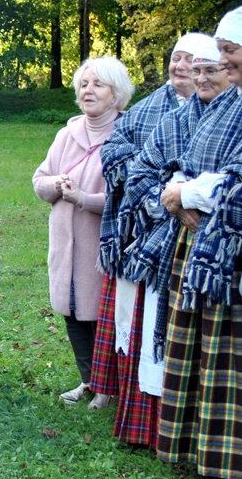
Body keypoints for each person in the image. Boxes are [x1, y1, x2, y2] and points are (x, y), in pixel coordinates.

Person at [91, 33, 214, 420]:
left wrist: (184, 193)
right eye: (176, 58)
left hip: (194, 231)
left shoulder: (215, 112)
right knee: (137, 325)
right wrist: (160, 192)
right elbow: (115, 149)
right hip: (140, 229)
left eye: (190, 60)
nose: (180, 67)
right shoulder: (148, 109)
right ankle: (131, 403)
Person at [119, 39, 232, 449]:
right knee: (169, 338)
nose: (200, 77)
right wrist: (169, 201)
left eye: (210, 70)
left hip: (221, 249)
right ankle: (164, 430)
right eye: (194, 70)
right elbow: (139, 174)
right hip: (172, 243)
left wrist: (188, 195)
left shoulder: (233, 118)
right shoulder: (176, 119)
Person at [155, 7, 242, 479]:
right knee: (213, 356)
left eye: (228, 54)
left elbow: (235, 179)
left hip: (230, 254)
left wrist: (185, 195)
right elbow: (189, 162)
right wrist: (177, 187)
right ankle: (215, 457)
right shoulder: (228, 107)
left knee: (233, 359)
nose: (222, 65)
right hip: (210, 252)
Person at [33, 57, 133, 408]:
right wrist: (55, 185)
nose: (88, 90)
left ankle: (109, 387)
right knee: (72, 312)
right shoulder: (67, 134)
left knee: (100, 316)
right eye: (84, 84)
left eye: (98, 84)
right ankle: (90, 381)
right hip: (65, 246)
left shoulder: (127, 135)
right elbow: (39, 179)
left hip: (100, 247)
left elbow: (127, 198)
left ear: (116, 94)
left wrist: (84, 199)